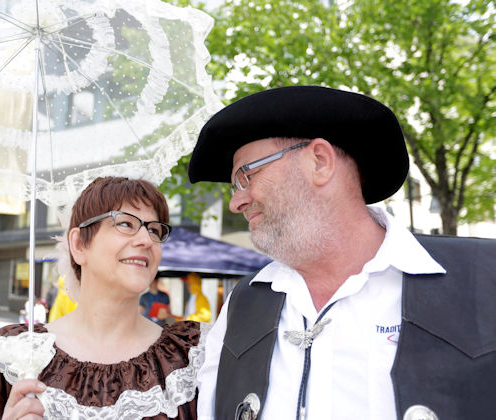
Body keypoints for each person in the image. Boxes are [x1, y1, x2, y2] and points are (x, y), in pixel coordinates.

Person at [187, 85, 496, 420]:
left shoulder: (484, 278)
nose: (236, 201)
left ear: (319, 162)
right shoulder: (242, 305)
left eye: (245, 176)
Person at [0, 177, 209, 419]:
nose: (146, 240)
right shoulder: (8, 356)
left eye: (155, 230)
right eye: (125, 224)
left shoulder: (192, 358)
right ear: (78, 244)